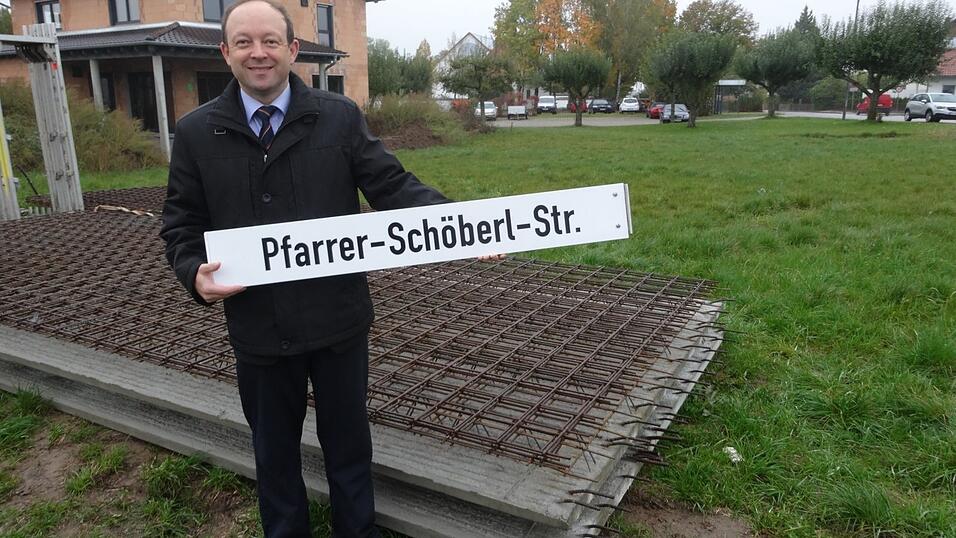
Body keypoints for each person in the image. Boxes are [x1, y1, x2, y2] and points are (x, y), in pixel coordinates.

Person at [159, 1, 450, 536]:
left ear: (293, 50)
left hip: (337, 321)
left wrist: (465, 224)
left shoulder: (337, 117)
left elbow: (391, 185)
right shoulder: (197, 132)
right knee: (274, 459)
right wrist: (193, 270)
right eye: (243, 42)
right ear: (225, 54)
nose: (258, 53)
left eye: (270, 41)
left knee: (348, 450)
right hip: (258, 330)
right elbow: (181, 222)